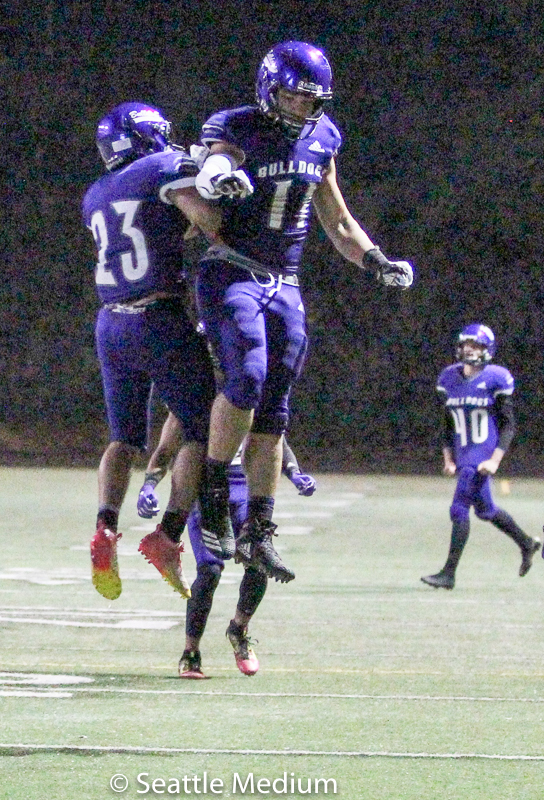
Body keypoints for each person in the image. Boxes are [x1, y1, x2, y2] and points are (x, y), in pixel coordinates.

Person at [191, 41, 414, 584]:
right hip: (233, 269)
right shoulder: (237, 126)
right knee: (247, 376)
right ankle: (214, 493)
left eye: (309, 99)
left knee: (274, 411)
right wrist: (217, 175)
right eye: (291, 97)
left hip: (285, 282)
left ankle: (258, 531)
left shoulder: (324, 136)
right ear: (269, 90)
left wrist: (376, 260)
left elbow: (336, 219)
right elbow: (216, 160)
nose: (299, 107)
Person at [81, 102, 222, 601]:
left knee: (122, 439)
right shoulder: (161, 166)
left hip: (110, 323)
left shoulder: (96, 194)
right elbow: (206, 220)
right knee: (204, 430)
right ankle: (168, 533)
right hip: (157, 318)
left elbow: (153, 226)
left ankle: (104, 528)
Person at [136, 411, 317, 678]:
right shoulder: (194, 397)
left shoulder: (248, 393)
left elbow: (274, 438)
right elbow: (166, 448)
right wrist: (149, 485)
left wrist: (294, 472)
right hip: (205, 492)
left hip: (246, 490)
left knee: (258, 559)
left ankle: (238, 629)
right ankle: (191, 652)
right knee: (209, 571)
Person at [421, 324, 541, 590]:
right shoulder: (448, 378)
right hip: (463, 451)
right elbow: (447, 424)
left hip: (482, 452)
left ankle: (448, 574)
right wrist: (448, 458)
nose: (470, 350)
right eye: (467, 345)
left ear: (488, 350)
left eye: (476, 346)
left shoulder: (496, 378)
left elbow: (508, 426)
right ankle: (527, 543)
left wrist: (495, 460)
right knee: (486, 511)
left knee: (458, 508)